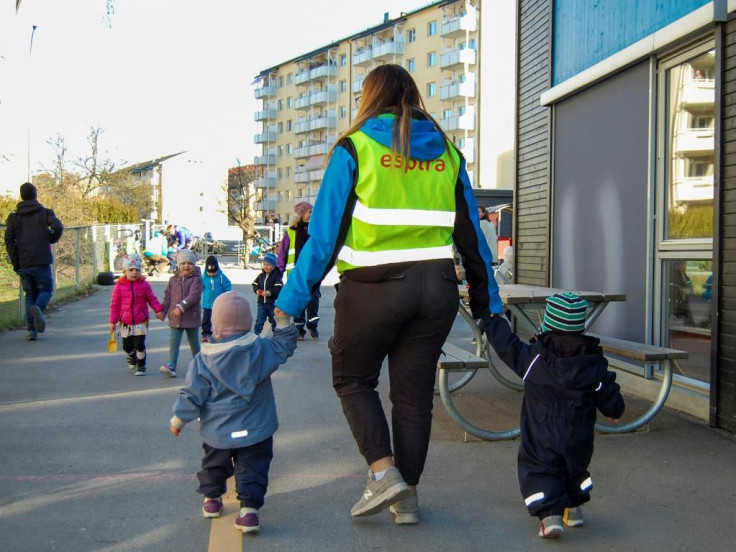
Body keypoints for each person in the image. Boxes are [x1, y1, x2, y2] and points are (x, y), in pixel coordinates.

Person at [274, 64, 503, 523]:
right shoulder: (449, 154)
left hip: (372, 291)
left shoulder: (354, 148)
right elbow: (473, 238)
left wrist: (289, 302)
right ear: (415, 95)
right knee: (413, 397)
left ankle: (383, 474)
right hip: (435, 291)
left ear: (369, 97)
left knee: (354, 380)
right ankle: (408, 498)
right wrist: (488, 304)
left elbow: (324, 237)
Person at [482, 292, 625, 538]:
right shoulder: (593, 363)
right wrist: (615, 410)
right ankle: (574, 509)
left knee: (541, 469)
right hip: (579, 433)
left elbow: (507, 344)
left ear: (547, 324)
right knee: (574, 468)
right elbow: (606, 388)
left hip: (542, 431)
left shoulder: (534, 359)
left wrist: (489, 319)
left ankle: (550, 517)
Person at [169, 291, 298, 534]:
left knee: (214, 464)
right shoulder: (261, 350)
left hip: (218, 431)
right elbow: (284, 346)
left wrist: (179, 418)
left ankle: (212, 499)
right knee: (253, 467)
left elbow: (192, 394)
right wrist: (282, 323)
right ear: (248, 324)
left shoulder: (203, 360)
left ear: (216, 328)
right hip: (257, 429)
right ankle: (249, 512)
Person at [4, 182, 64, 341]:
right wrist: (51, 238)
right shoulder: (45, 213)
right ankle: (39, 308)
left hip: (23, 261)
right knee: (46, 289)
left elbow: (8, 240)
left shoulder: (14, 217)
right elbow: (58, 227)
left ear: (21, 196)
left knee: (30, 293)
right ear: (35, 195)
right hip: (41, 259)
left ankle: (32, 331)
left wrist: (15, 261)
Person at [108, 253, 165, 376]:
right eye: (131, 270)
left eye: (137, 270)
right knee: (126, 346)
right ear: (124, 271)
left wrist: (159, 310)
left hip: (141, 320)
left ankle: (141, 366)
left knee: (139, 343)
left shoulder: (144, 285)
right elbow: (115, 305)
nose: (134, 272)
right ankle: (132, 356)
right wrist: (112, 322)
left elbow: (152, 299)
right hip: (125, 321)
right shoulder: (119, 286)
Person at [276, 201, 320, 340]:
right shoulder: (291, 231)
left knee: (313, 299)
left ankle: (313, 326)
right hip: (296, 272)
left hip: (313, 271)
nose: (311, 214)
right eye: (309, 212)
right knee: (298, 300)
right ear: (302, 214)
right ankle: (299, 330)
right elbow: (283, 252)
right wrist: (279, 270)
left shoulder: (315, 229)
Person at [160, 249, 203, 378]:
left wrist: (181, 307)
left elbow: (193, 296)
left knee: (193, 342)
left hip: (191, 316)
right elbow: (168, 297)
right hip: (175, 317)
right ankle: (171, 365)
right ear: (178, 265)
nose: (186, 266)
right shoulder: (173, 280)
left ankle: (200, 365)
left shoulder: (197, 280)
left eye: (190, 263)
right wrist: (163, 310)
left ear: (194, 265)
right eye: (183, 263)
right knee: (174, 342)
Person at [201, 255, 232, 343]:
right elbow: (198, 287)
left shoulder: (222, 277)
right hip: (207, 304)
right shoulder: (203, 277)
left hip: (219, 303)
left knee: (220, 318)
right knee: (206, 319)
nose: (211, 274)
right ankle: (206, 334)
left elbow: (228, 286)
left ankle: (221, 332)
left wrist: (227, 295)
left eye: (213, 272)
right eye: (209, 272)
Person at [251, 252, 283, 336]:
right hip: (261, 302)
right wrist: (257, 290)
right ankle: (256, 335)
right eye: (264, 264)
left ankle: (276, 335)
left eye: (268, 265)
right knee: (260, 320)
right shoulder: (261, 276)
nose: (266, 266)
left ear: (273, 265)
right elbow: (254, 284)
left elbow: (278, 287)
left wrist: (269, 292)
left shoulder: (276, 276)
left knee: (274, 320)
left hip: (272, 303)